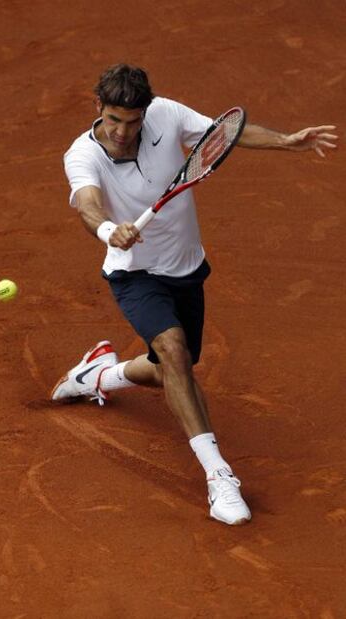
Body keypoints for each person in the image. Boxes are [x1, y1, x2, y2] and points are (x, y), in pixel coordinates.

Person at [51, 64, 338, 526]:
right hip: (134, 273)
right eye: (113, 121)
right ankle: (219, 477)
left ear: (146, 112)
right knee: (173, 349)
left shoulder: (166, 114)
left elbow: (222, 136)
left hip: (185, 269)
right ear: (97, 109)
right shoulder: (82, 155)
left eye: (132, 121)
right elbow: (87, 204)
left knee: (171, 368)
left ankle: (99, 377)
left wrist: (286, 141)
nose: (122, 132)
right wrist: (109, 229)